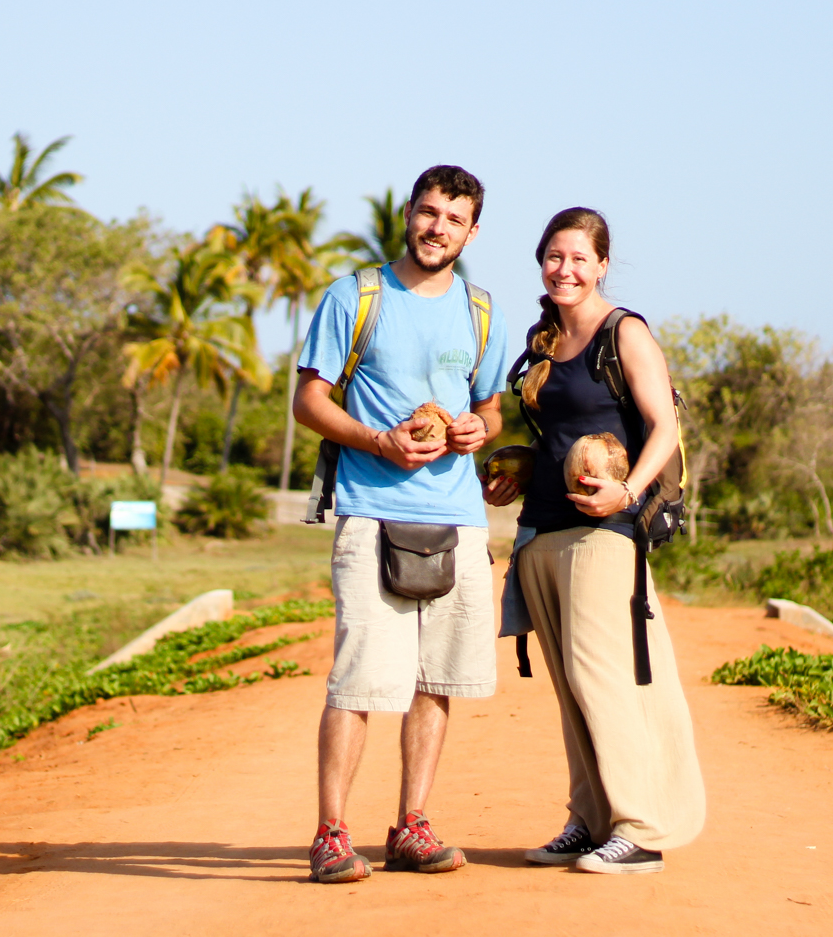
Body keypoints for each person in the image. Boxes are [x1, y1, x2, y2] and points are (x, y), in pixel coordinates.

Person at [293, 165, 511, 883]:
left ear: (471, 232)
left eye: (453, 219)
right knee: (357, 678)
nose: (436, 228)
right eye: (428, 212)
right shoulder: (355, 296)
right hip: (371, 512)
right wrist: (378, 441)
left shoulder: (480, 310)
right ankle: (331, 833)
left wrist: (478, 428)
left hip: (459, 519)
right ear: (409, 215)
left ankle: (411, 826)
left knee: (435, 679)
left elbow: (490, 407)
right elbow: (308, 401)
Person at [483, 207, 706, 874]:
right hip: (541, 531)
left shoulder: (623, 332)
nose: (565, 269)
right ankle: (589, 819)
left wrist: (627, 492)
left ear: (602, 264)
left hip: (605, 530)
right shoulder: (543, 340)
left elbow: (663, 426)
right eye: (555, 256)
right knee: (569, 686)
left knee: (602, 678)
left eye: (579, 258)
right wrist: (518, 474)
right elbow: (553, 436)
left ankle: (639, 828)